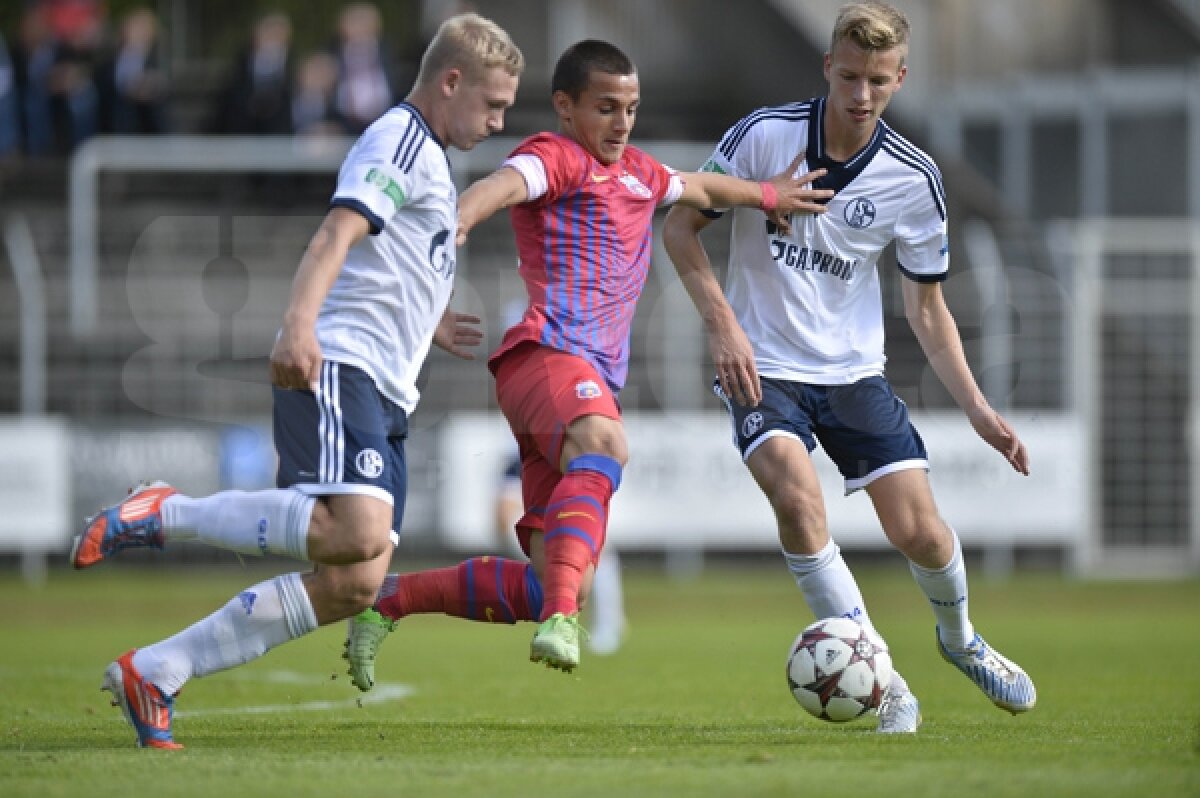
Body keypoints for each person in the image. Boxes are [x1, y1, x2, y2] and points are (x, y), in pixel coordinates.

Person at [69, 12, 524, 749]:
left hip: (386, 384)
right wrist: (299, 326)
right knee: (358, 530)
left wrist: (425, 318)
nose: (499, 120)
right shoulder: (400, 138)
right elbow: (337, 232)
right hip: (343, 363)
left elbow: (394, 257)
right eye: (493, 103)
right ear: (451, 81)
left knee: (355, 581)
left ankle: (156, 670)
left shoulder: (433, 157)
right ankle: (166, 511)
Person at [341, 37, 833, 691]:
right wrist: (461, 215)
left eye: (630, 107)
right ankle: (567, 622)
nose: (621, 122)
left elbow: (698, 184)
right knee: (606, 443)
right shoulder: (557, 157)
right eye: (606, 108)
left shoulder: (638, 173)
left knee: (552, 582)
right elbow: (507, 183)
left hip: (582, 382)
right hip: (544, 359)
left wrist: (767, 195)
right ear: (566, 107)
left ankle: (389, 601)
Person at [661, 2, 1036, 735]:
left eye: (878, 80)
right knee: (798, 503)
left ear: (900, 79)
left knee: (922, 533)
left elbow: (927, 309)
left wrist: (978, 409)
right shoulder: (765, 135)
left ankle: (960, 640)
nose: (861, 93)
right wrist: (722, 322)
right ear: (827, 65)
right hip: (761, 365)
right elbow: (681, 224)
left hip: (855, 375)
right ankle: (884, 680)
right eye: (850, 75)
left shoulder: (912, 179)